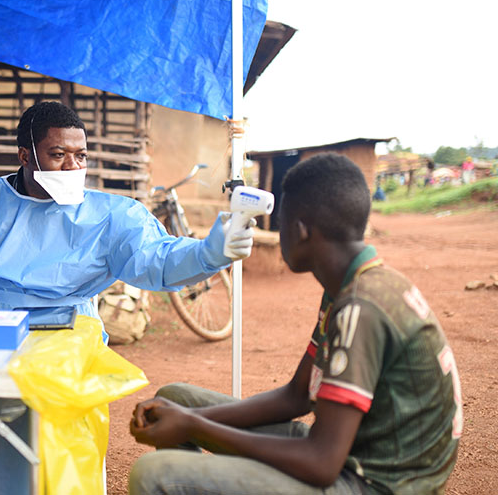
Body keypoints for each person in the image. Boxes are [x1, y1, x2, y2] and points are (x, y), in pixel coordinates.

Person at [0, 101, 255, 494]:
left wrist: (210, 252)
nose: (72, 166)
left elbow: (156, 259)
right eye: (58, 154)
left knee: (56, 404)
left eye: (81, 156)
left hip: (66, 326)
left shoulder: (111, 215)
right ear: (25, 156)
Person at [128, 153, 461, 495]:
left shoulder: (360, 306)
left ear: (301, 230)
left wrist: (193, 426)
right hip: (349, 455)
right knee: (175, 399)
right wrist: (189, 420)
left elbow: (320, 463)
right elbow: (297, 395)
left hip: (374, 482)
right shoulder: (352, 284)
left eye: (280, 221)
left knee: (153, 474)